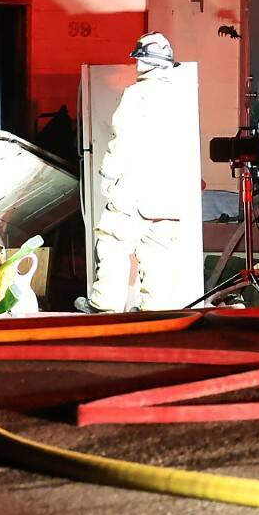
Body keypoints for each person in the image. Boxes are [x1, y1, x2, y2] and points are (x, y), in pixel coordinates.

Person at [90, 32, 202, 312]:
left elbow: (123, 140)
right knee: (159, 253)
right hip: (169, 195)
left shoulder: (137, 95)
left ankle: (106, 306)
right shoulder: (181, 98)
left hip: (135, 191)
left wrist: (108, 176)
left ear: (145, 61)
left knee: (112, 241)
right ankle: (156, 312)